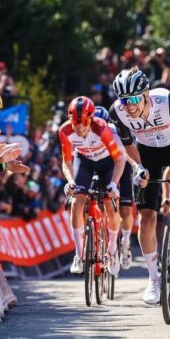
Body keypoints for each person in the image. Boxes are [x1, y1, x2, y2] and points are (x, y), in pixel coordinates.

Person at [108, 67, 170, 305]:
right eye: (124, 101)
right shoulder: (118, 112)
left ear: (145, 94)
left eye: (133, 99)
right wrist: (138, 167)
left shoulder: (167, 101)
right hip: (148, 154)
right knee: (146, 219)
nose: (129, 105)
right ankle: (154, 279)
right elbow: (127, 144)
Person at [60, 97, 126, 277]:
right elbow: (66, 162)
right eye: (76, 122)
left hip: (107, 163)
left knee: (110, 207)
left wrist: (113, 183)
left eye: (84, 123)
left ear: (91, 119)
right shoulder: (65, 131)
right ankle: (78, 254)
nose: (80, 127)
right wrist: (70, 181)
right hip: (85, 162)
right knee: (76, 201)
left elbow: (119, 160)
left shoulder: (102, 129)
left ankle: (112, 250)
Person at [94, 105, 134, 270]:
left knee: (125, 209)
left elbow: (127, 156)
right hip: (102, 165)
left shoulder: (117, 131)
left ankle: (125, 240)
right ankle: (101, 236)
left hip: (122, 164)